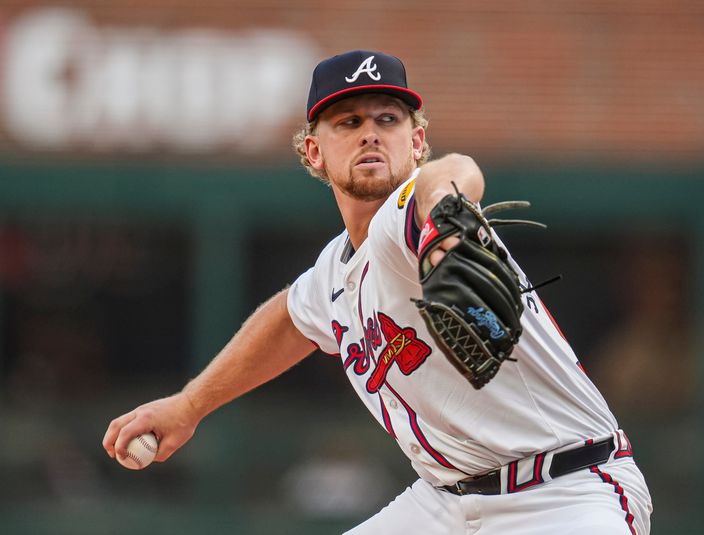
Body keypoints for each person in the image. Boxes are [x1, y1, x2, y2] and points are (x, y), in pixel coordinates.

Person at [102, 50, 653, 534]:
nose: (370, 131)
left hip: (567, 493)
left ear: (415, 142)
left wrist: (445, 229)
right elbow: (291, 319)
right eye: (348, 121)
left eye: (388, 119)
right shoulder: (336, 270)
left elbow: (455, 171)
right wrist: (190, 405)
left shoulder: (408, 215)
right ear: (313, 152)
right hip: (447, 503)